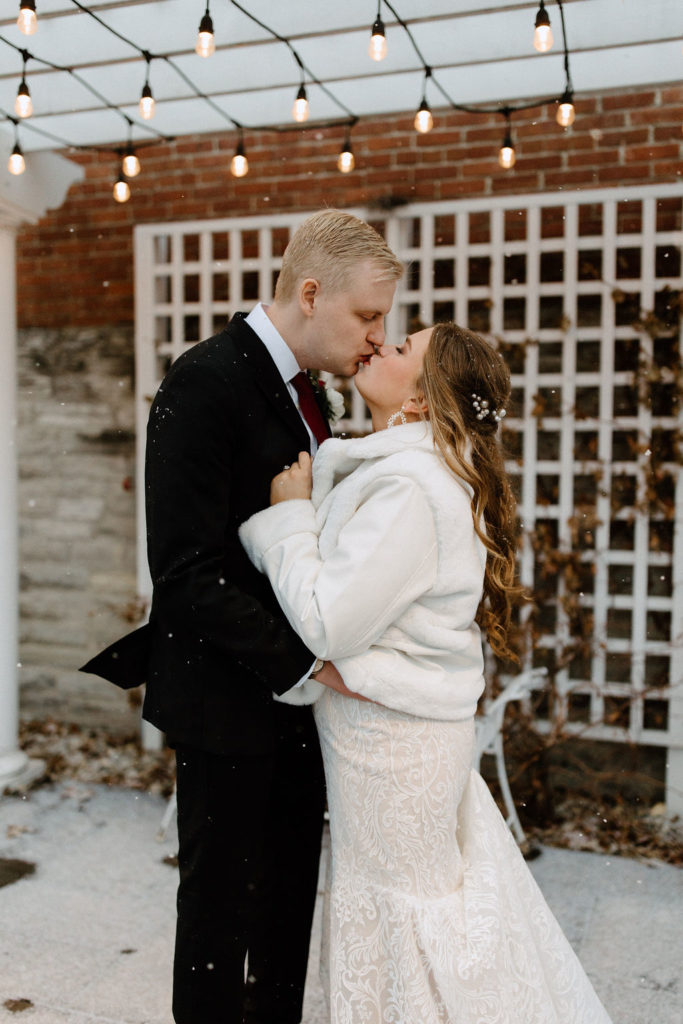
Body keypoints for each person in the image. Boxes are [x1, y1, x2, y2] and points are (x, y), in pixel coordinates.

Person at [80, 209, 403, 1024]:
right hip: (227, 702)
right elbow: (184, 572)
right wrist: (300, 664)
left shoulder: (311, 394)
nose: (375, 337)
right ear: (308, 292)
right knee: (221, 924)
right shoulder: (205, 381)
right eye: (367, 316)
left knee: (289, 910)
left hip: (301, 710)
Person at [239, 322, 614, 1024]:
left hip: (391, 743)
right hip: (395, 734)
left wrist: (287, 519)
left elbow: (327, 620)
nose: (380, 344)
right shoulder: (405, 472)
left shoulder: (411, 488)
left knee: (406, 915)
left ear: (418, 403)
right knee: (414, 907)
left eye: (401, 348)